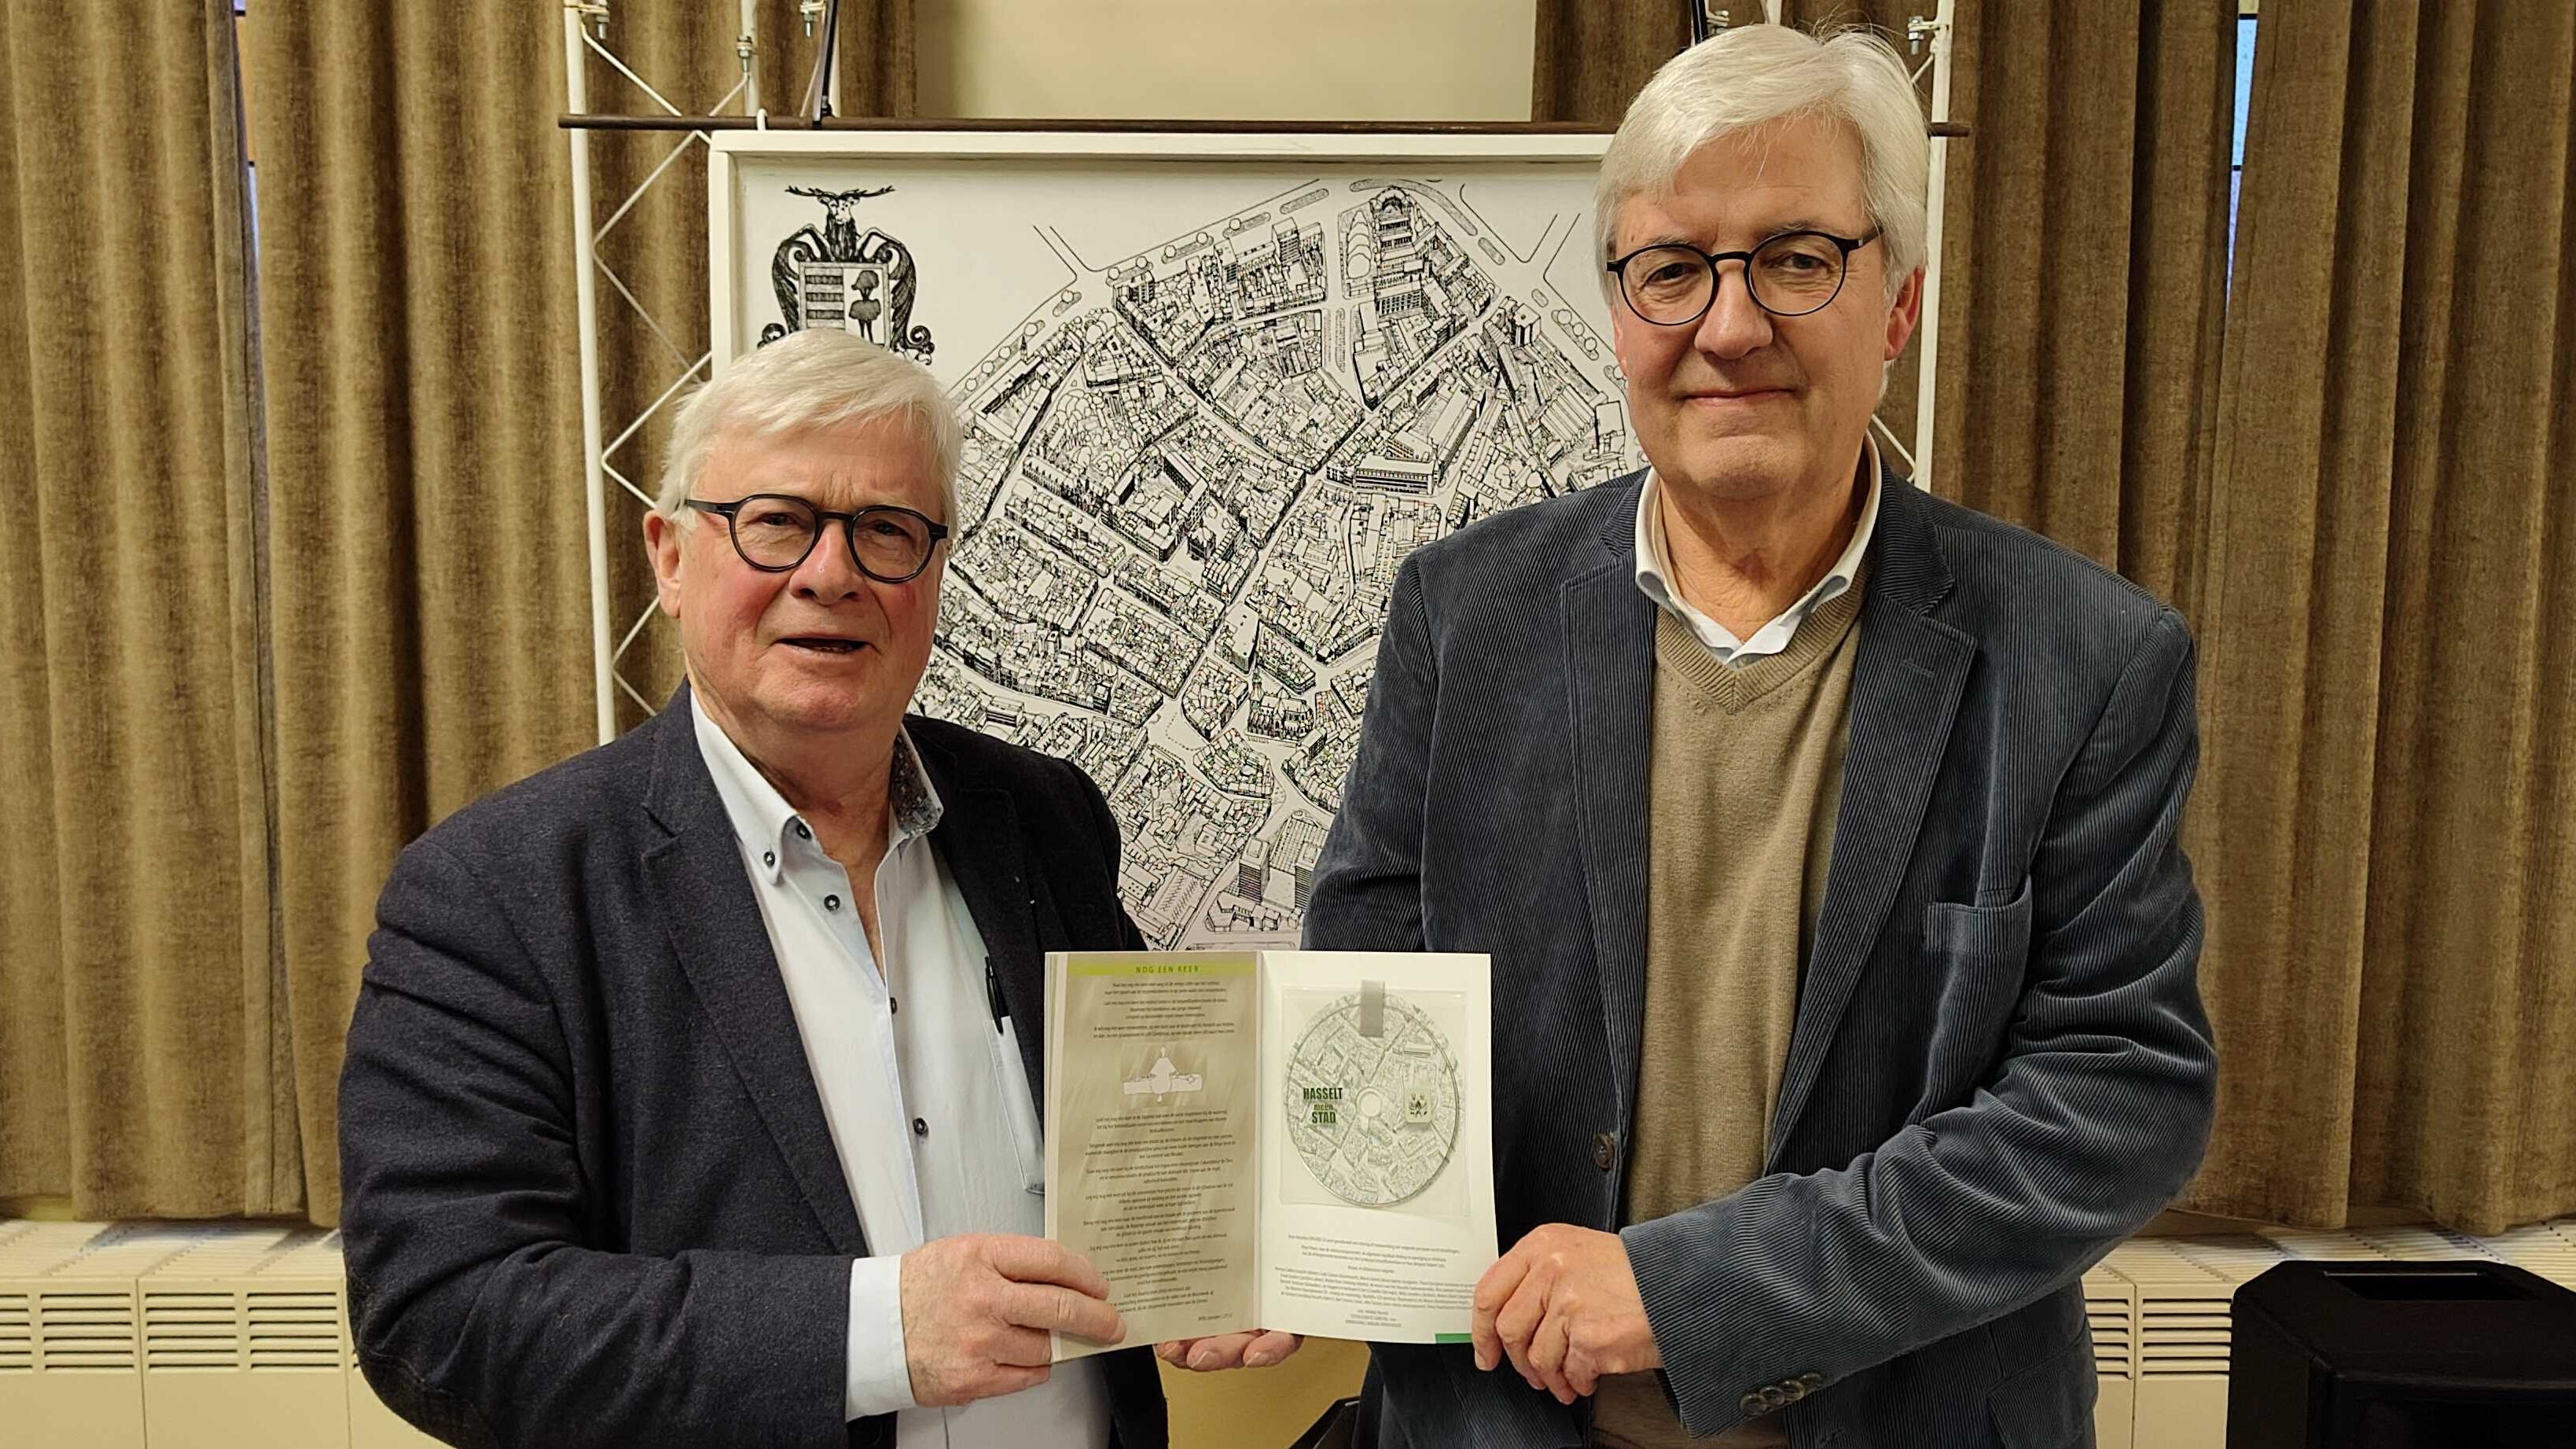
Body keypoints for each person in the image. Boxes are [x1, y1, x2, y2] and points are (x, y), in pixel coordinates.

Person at [1305, 25, 2217, 1449]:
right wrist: (1278, 1238)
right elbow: (1365, 986)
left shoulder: (2088, 659)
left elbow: (2114, 1096)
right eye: (1671, 270)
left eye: (1795, 260)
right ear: (1620, 314)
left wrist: (1695, 1291)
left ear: (1897, 306)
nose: (1727, 328)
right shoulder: (1462, 615)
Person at [339, 328, 1248, 1449]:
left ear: (934, 570)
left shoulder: (1043, 818)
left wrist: (1225, 1257)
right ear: (671, 557)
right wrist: (874, 1334)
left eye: (887, 530)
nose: (831, 574)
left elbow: (1150, 1131)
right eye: (775, 522)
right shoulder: (498, 893)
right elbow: (440, 1318)